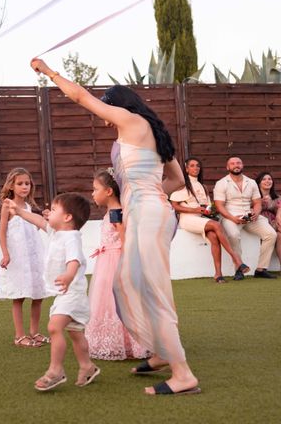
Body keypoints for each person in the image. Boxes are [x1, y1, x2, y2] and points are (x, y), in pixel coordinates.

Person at [32, 58, 199, 396]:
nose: (107, 120)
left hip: (149, 216)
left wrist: (48, 72)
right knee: (125, 285)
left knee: (149, 290)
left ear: (117, 106)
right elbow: (177, 179)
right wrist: (147, 197)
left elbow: (80, 97)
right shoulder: (153, 131)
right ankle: (161, 353)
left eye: (107, 110)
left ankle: (183, 374)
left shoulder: (131, 120)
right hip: (152, 213)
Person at [5, 193, 100, 392]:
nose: (49, 212)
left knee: (55, 327)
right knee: (75, 332)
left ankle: (55, 370)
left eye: (55, 210)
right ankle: (87, 366)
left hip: (72, 292)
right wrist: (19, 211)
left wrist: (68, 274)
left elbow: (74, 260)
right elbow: (39, 220)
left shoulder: (71, 237)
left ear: (67, 218)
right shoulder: (56, 232)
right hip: (65, 294)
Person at [86, 169, 150, 360]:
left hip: (115, 261)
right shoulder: (113, 212)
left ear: (108, 192)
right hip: (107, 259)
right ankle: (116, 340)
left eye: (95, 189)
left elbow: (125, 240)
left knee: (114, 301)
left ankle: (128, 343)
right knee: (108, 301)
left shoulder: (116, 213)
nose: (92, 193)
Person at [0, 168, 51, 348]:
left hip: (33, 255)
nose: (24, 186)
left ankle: (34, 332)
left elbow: (29, 229)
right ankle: (19, 335)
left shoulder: (27, 207)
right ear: (11, 185)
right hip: (18, 257)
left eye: (27, 183)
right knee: (19, 296)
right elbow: (2, 232)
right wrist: (5, 253)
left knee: (38, 294)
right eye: (20, 183)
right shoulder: (8, 206)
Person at [170, 157, 249, 283]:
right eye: (192, 166)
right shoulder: (181, 185)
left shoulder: (203, 186)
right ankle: (237, 259)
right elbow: (174, 205)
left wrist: (208, 211)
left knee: (213, 237)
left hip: (202, 219)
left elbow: (206, 206)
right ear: (186, 169)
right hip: (187, 219)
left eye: (198, 166)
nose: (195, 168)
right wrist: (194, 210)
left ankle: (218, 274)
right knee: (216, 225)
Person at [213, 157, 277, 279]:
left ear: (242, 165)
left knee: (271, 234)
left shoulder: (251, 182)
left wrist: (256, 213)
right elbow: (219, 206)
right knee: (233, 235)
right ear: (228, 167)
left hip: (249, 215)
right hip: (230, 216)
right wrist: (232, 218)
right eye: (232, 163)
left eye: (238, 163)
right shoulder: (221, 183)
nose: (236, 165)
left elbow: (257, 202)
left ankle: (260, 269)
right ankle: (239, 269)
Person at [255, 171, 281, 264]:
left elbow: (280, 207)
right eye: (264, 179)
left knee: (279, 235)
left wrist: (278, 214)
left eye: (269, 179)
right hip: (260, 222)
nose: (267, 181)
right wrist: (260, 202)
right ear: (259, 182)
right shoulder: (254, 196)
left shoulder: (276, 197)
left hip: (274, 222)